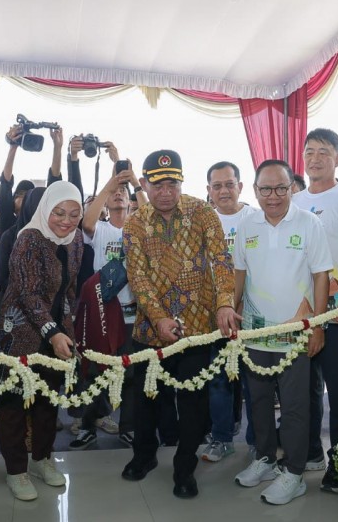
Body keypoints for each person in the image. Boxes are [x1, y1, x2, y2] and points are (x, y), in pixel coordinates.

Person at [121, 149, 240, 499]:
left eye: (172, 183)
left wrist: (223, 304)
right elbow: (138, 279)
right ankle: (144, 457)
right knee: (146, 401)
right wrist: (158, 318)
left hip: (196, 332)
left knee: (192, 404)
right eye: (157, 185)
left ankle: (184, 469)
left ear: (182, 182)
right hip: (150, 332)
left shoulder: (203, 212)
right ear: (144, 184)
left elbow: (221, 261)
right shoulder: (134, 224)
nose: (166, 192)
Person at [232, 159, 331, 504]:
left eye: (280, 188)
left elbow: (321, 275)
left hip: (296, 332)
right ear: (255, 190)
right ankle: (263, 458)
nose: (273, 196)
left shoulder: (309, 223)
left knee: (294, 405)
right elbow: (239, 273)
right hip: (254, 331)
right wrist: (231, 311)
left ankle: (293, 472)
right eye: (265, 189)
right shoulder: (247, 224)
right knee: (256, 399)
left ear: (292, 188)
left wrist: (316, 325)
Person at [0, 180, 84, 501]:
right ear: (45, 209)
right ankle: (16, 471)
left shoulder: (76, 240)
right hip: (20, 334)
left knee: (47, 402)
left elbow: (69, 290)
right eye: (59, 212)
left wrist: (67, 330)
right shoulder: (28, 239)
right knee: (14, 405)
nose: (66, 220)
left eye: (74, 213)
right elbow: (28, 294)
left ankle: (42, 460)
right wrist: (52, 331)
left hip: (54, 334)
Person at [291, 128, 338, 494]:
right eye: (309, 151)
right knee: (304, 390)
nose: (315, 158)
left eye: (323, 152)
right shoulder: (295, 201)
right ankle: (311, 453)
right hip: (302, 315)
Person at [70, 160, 146, 450]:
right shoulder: (99, 229)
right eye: (115, 193)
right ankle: (88, 426)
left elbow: (150, 212)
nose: (118, 195)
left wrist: (134, 181)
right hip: (101, 311)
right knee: (94, 372)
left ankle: (128, 426)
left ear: (130, 202)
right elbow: (86, 222)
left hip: (131, 313)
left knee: (130, 373)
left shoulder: (140, 228)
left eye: (123, 193)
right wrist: (110, 184)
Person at [201, 161, 257, 463]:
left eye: (229, 183)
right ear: (209, 190)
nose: (224, 190)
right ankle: (221, 439)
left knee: (254, 383)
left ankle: (257, 442)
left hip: (252, 315)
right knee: (218, 381)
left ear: (240, 186)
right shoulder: (201, 221)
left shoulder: (256, 218)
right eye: (217, 185)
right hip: (217, 317)